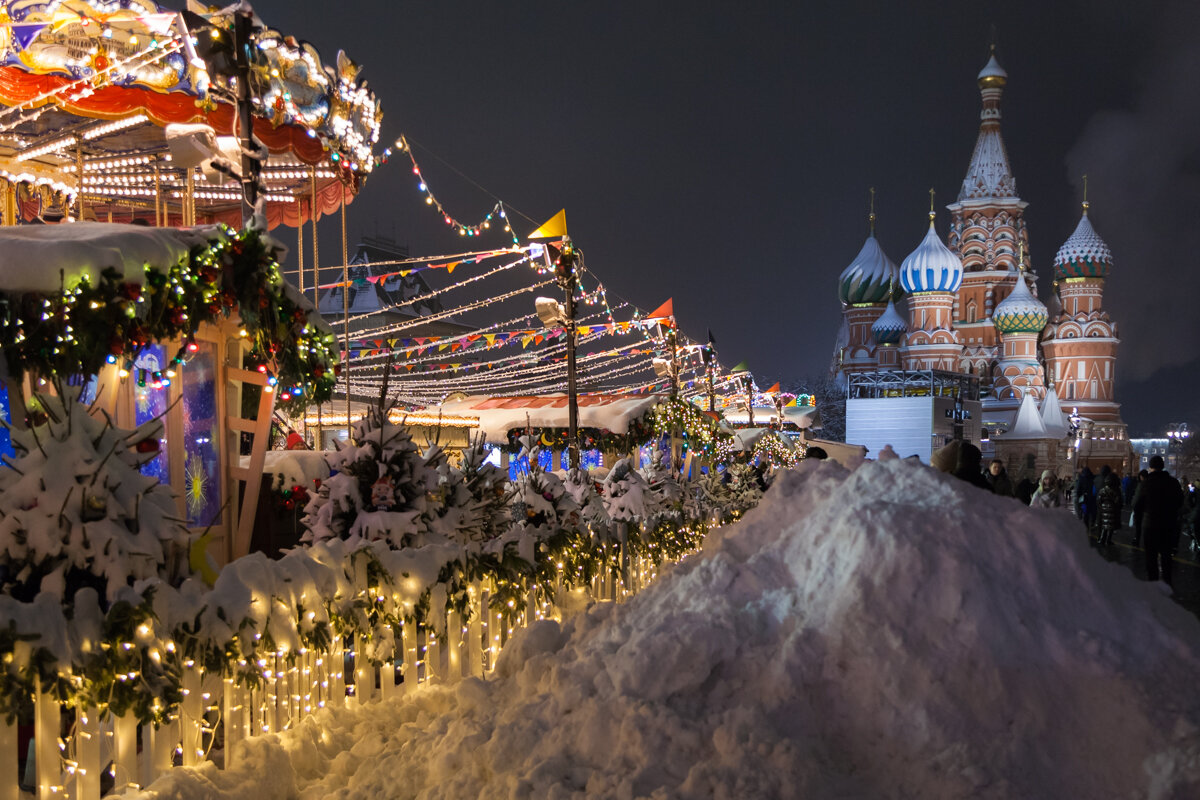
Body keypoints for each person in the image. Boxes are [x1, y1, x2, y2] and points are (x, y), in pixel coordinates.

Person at [1132, 455, 1184, 587]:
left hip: (1150, 525)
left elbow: (1136, 504)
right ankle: (1167, 584)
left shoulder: (1145, 483)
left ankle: (1153, 585)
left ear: (1150, 467)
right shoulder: (1173, 482)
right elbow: (1180, 501)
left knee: (1151, 558)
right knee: (1167, 557)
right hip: (1168, 524)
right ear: (1163, 465)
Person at [1096, 473, 1123, 546]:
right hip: (1113, 510)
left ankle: (1101, 539)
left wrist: (1101, 507)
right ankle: (1108, 540)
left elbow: (1098, 500)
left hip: (1104, 510)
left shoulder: (1103, 490)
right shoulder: (1116, 490)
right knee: (1111, 527)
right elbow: (1118, 501)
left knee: (1104, 526)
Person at [1130, 469, 1149, 546]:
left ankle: (1137, 539)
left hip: (1139, 507)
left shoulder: (1141, 485)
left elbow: (1137, 497)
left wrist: (1133, 505)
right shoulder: (1150, 484)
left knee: (1138, 525)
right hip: (1148, 508)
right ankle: (1147, 541)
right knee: (1147, 526)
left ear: (1141, 476)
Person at [1074, 466, 1096, 530]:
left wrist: (1079, 499)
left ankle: (1086, 526)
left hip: (1084, 499)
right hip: (1092, 498)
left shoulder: (1081, 479)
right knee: (1092, 512)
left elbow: (1078, 490)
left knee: (1085, 513)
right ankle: (1092, 524)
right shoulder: (1093, 478)